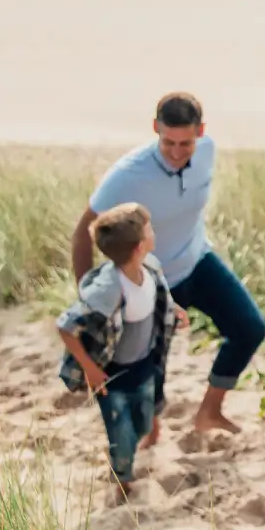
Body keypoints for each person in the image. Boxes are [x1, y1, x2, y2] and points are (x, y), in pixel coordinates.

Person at [71, 92, 265, 437]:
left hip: (198, 262)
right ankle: (148, 429)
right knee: (149, 373)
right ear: (155, 129)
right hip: (152, 281)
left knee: (250, 328)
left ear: (201, 132)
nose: (177, 153)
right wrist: (91, 298)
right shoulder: (128, 175)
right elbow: (82, 233)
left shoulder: (207, 152)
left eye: (185, 143)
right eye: (168, 142)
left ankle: (209, 411)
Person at [57, 203, 183, 497]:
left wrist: (174, 309)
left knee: (143, 418)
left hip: (145, 364)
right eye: (150, 228)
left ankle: (141, 440)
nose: (154, 231)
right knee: (122, 434)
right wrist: (90, 368)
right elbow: (66, 326)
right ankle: (122, 479)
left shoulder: (149, 266)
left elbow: (155, 294)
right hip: (112, 377)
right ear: (139, 245)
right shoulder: (109, 289)